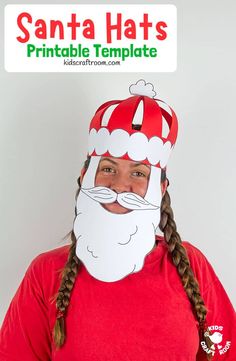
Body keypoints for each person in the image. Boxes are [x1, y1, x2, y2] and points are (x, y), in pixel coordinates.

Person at [0, 80, 235, 361]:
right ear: (84, 176)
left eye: (138, 173)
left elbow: (224, 352)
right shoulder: (46, 273)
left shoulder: (191, 265)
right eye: (108, 168)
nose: (119, 186)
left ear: (160, 189)